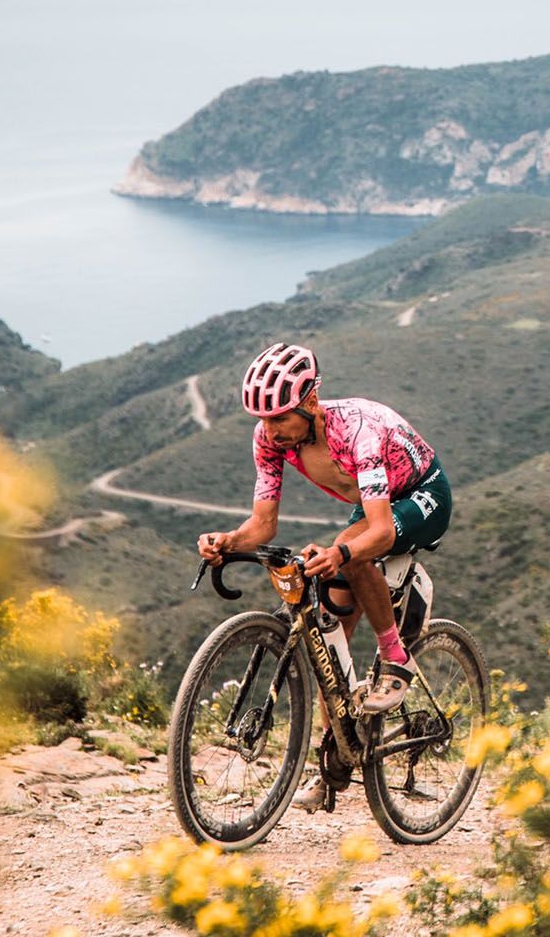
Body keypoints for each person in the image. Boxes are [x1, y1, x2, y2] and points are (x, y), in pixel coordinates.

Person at [197, 341, 451, 809]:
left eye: (280, 419)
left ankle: (396, 659)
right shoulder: (266, 439)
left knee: (352, 558)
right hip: (373, 498)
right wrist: (227, 542)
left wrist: (341, 551)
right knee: (331, 633)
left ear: (311, 402)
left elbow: (376, 531)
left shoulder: (360, 432)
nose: (270, 431)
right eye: (262, 420)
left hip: (421, 495)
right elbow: (263, 524)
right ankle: (338, 757)